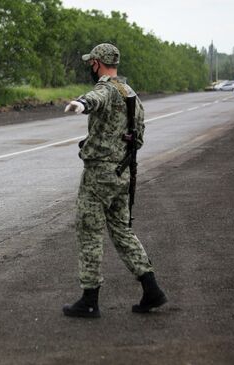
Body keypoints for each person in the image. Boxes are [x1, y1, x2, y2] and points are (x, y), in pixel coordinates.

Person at [62, 43, 167, 317]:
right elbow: (137, 138)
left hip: (99, 176)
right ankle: (151, 288)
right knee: (122, 231)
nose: (89, 66)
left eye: (91, 62)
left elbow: (96, 97)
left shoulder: (106, 88)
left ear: (97, 63)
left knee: (89, 231)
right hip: (123, 174)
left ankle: (89, 299)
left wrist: (81, 104)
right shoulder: (131, 93)